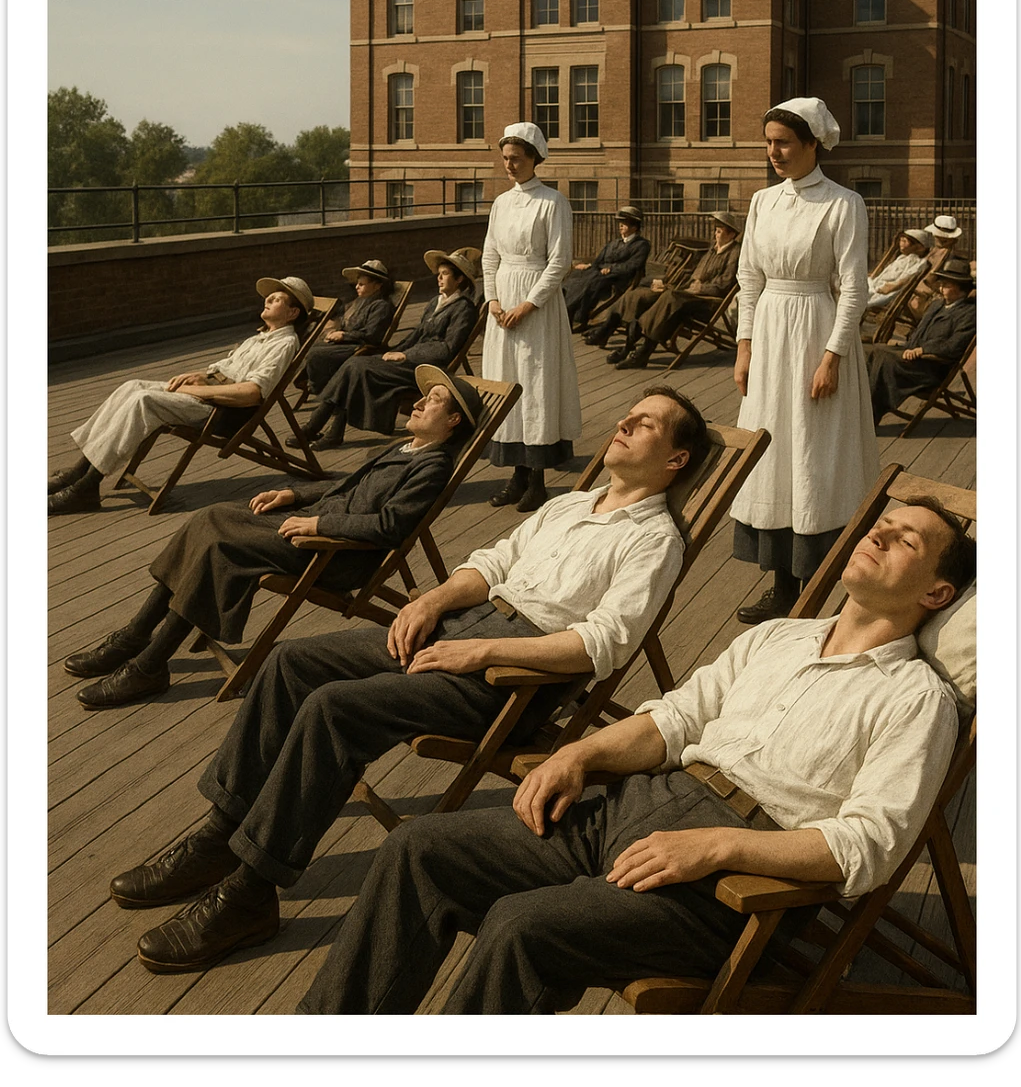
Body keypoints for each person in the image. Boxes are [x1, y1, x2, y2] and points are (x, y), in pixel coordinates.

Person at [106, 388, 707, 975]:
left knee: (334, 709)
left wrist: (481, 650)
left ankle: (248, 892)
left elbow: (603, 643)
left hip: (510, 677)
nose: (624, 425)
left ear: (676, 460)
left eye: (646, 423)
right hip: (460, 624)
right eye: (627, 415)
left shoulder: (655, 541)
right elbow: (492, 563)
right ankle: (221, 834)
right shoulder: (571, 504)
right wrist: (432, 601)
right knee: (289, 664)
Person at [296, 495, 974, 1015]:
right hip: (634, 805)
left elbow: (868, 845)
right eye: (882, 524)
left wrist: (715, 849)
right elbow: (676, 720)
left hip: (725, 881)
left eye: (906, 539)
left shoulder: (915, 699)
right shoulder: (780, 637)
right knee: (420, 851)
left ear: (937, 595)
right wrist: (581, 756)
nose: (879, 533)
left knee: (521, 927)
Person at [65, 367, 476, 709]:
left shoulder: (433, 465)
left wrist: (319, 527)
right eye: (423, 397)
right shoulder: (407, 447)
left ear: (454, 421)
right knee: (208, 517)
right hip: (313, 525)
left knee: (220, 546)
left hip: (336, 553)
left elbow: (390, 526)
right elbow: (346, 486)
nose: (419, 402)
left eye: (434, 400)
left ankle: (149, 666)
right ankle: (136, 635)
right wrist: (294, 494)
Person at [731, 99, 880, 625]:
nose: (774, 152)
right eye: (768, 142)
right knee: (774, 448)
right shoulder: (762, 202)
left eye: (785, 143)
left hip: (816, 329)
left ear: (812, 144)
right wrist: (745, 345)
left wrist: (832, 356)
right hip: (771, 333)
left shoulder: (844, 204)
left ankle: (821, 579)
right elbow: (750, 277)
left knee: (813, 448)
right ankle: (781, 583)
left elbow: (854, 288)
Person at [47, 276, 315, 516]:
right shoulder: (260, 337)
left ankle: (87, 485)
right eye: (270, 296)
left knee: (144, 402)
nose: (268, 299)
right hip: (208, 394)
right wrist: (201, 374)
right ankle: (79, 471)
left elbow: (251, 393)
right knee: (131, 386)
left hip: (220, 412)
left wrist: (196, 389)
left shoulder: (284, 344)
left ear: (292, 313)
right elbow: (229, 369)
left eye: (278, 298)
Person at [481, 122, 583, 514]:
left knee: (534, 383)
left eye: (517, 159)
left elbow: (559, 263)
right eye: (505, 159)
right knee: (507, 383)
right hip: (502, 303)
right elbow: (490, 256)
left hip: (536, 307)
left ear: (534, 159)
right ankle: (517, 475)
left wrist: (528, 304)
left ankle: (537, 480)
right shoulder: (501, 203)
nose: (510, 165)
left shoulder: (553, 202)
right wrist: (493, 300)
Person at [292, 249, 480, 450]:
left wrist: (405, 355)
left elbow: (447, 348)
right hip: (410, 360)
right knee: (355, 367)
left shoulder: (464, 309)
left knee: (356, 366)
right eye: (439, 273)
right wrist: (391, 352)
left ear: (459, 279)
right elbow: (415, 335)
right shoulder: (436, 302)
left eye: (444, 274)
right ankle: (329, 431)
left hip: (426, 367)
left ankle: (316, 427)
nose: (439, 278)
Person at [605, 211, 743, 370]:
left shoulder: (735, 253)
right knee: (650, 295)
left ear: (731, 234)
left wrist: (700, 288)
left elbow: (725, 283)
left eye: (719, 231)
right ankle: (629, 346)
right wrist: (671, 284)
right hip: (690, 295)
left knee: (669, 298)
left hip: (706, 302)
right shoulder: (714, 249)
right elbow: (695, 274)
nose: (715, 234)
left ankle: (643, 352)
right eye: (715, 230)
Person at [865, 256, 976, 426]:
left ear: (961, 289)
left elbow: (954, 346)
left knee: (882, 358)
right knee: (869, 351)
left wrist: (923, 349)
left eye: (947, 284)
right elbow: (918, 332)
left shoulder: (969, 313)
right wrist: (908, 347)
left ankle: (869, 416)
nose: (941, 287)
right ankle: (861, 409)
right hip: (911, 357)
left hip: (930, 367)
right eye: (942, 282)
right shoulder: (937, 305)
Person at [302, 259, 395, 397]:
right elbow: (342, 318)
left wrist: (344, 336)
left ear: (377, 286)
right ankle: (314, 382)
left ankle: (322, 390)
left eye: (362, 284)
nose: (357, 287)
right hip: (348, 342)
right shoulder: (358, 302)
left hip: (361, 346)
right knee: (310, 344)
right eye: (357, 283)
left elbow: (372, 335)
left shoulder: (381, 306)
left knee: (316, 353)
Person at [562, 206, 650, 332]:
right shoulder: (614, 243)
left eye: (624, 224)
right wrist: (591, 266)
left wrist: (611, 268)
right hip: (603, 273)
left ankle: (579, 316)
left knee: (592, 281)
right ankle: (566, 310)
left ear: (634, 228)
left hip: (622, 278)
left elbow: (633, 266)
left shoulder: (641, 245)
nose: (620, 226)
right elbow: (599, 261)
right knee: (577, 275)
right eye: (620, 224)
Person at [907, 214, 964, 323]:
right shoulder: (935, 250)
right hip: (917, 286)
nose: (937, 239)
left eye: (942, 238)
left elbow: (934, 280)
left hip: (929, 292)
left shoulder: (949, 256)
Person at [863, 229, 932, 312]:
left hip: (886, 292)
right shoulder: (902, 257)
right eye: (900, 241)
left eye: (904, 241)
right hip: (876, 285)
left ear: (919, 247)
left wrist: (885, 288)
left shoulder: (919, 263)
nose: (900, 244)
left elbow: (903, 281)